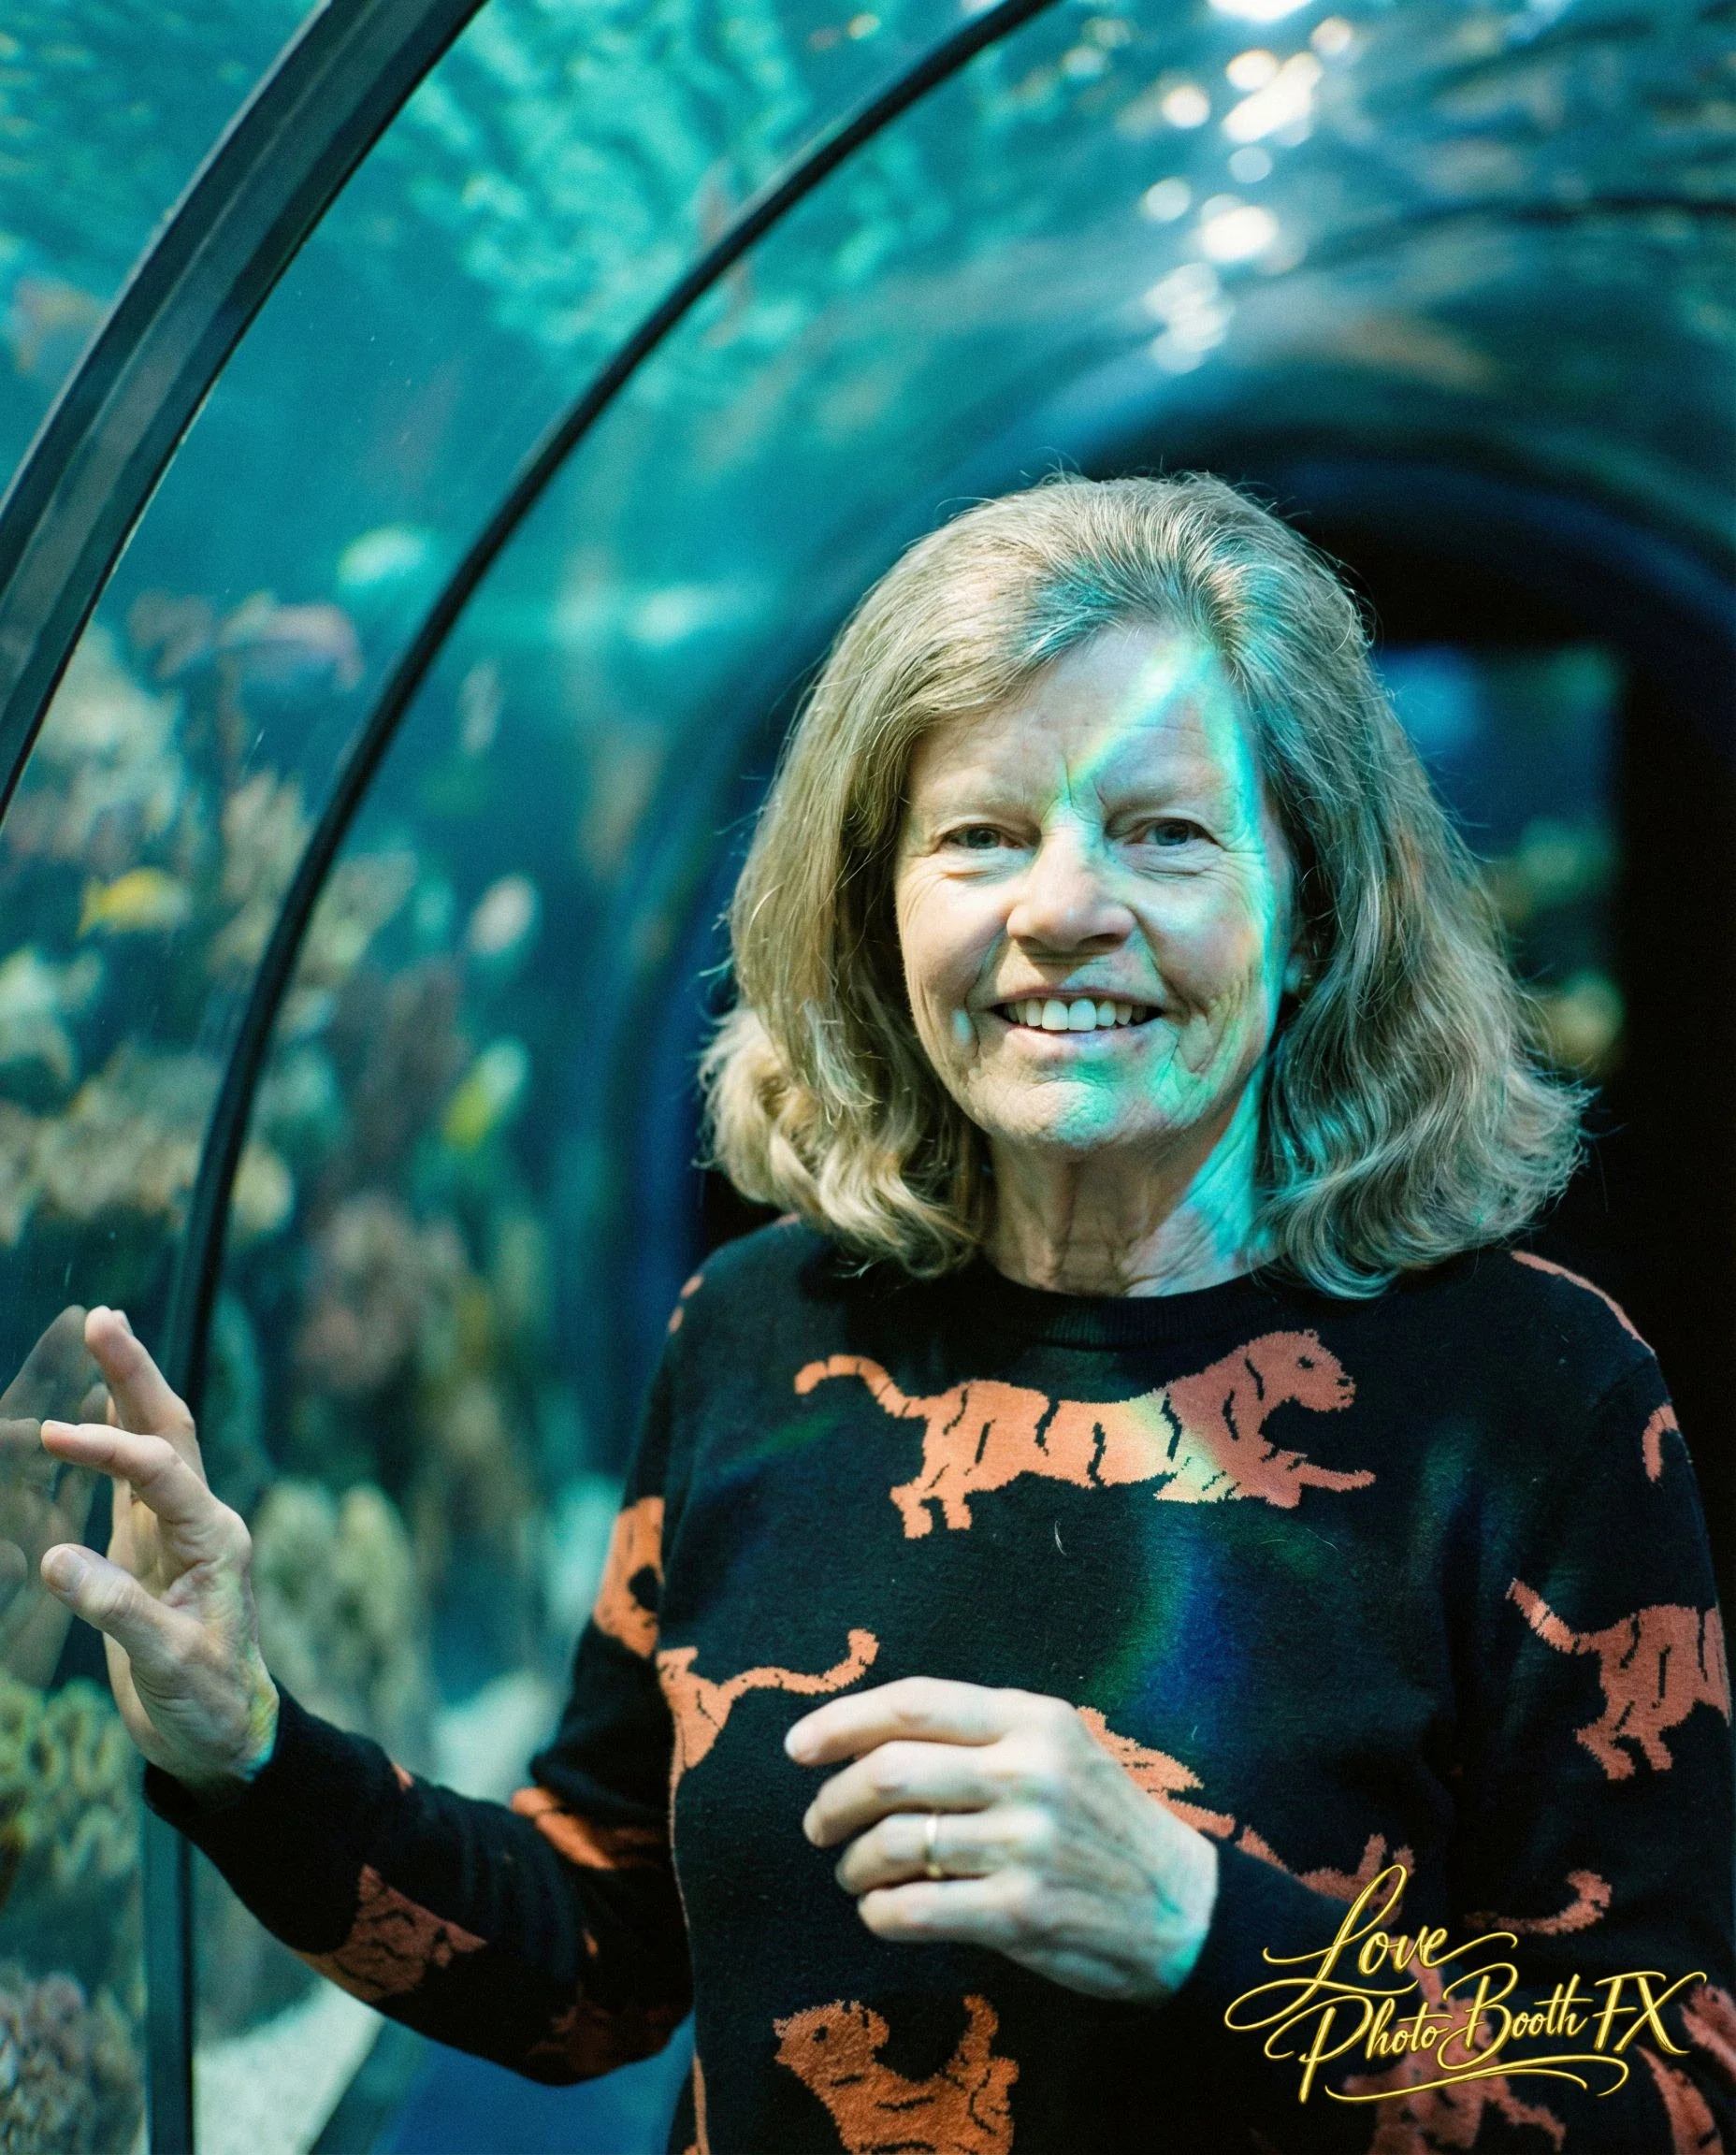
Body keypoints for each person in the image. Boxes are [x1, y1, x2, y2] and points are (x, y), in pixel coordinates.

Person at [37, 475, 1734, 2152]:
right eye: (983, 835)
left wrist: (1201, 1932)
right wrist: (248, 1749)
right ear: (878, 913)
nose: (1062, 910)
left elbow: (1672, 2090)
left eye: (1164, 833)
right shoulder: (758, 1333)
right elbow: (601, 1970)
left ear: (1311, 913)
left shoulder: (1538, 1392)